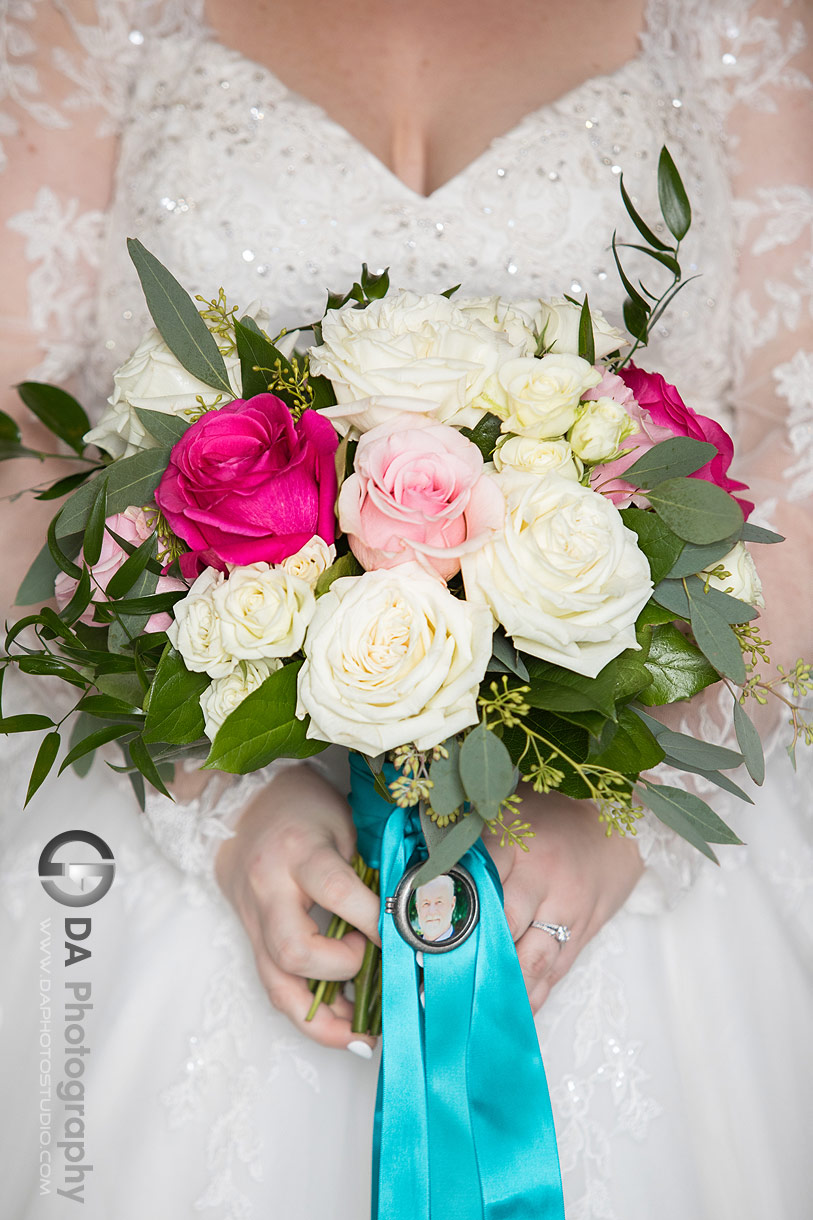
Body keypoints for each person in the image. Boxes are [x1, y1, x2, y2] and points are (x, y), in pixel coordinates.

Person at [0, 1, 811, 1217]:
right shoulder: (93, 16)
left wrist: (633, 802)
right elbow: (22, 432)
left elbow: (795, 438)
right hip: (177, 825)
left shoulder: (736, 22)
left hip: (616, 823)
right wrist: (222, 789)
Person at [414, 876, 457, 943]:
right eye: (426, 903)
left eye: (439, 902)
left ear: (452, 904)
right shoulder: (408, 947)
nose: (432, 912)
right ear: (417, 908)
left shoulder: (466, 947)